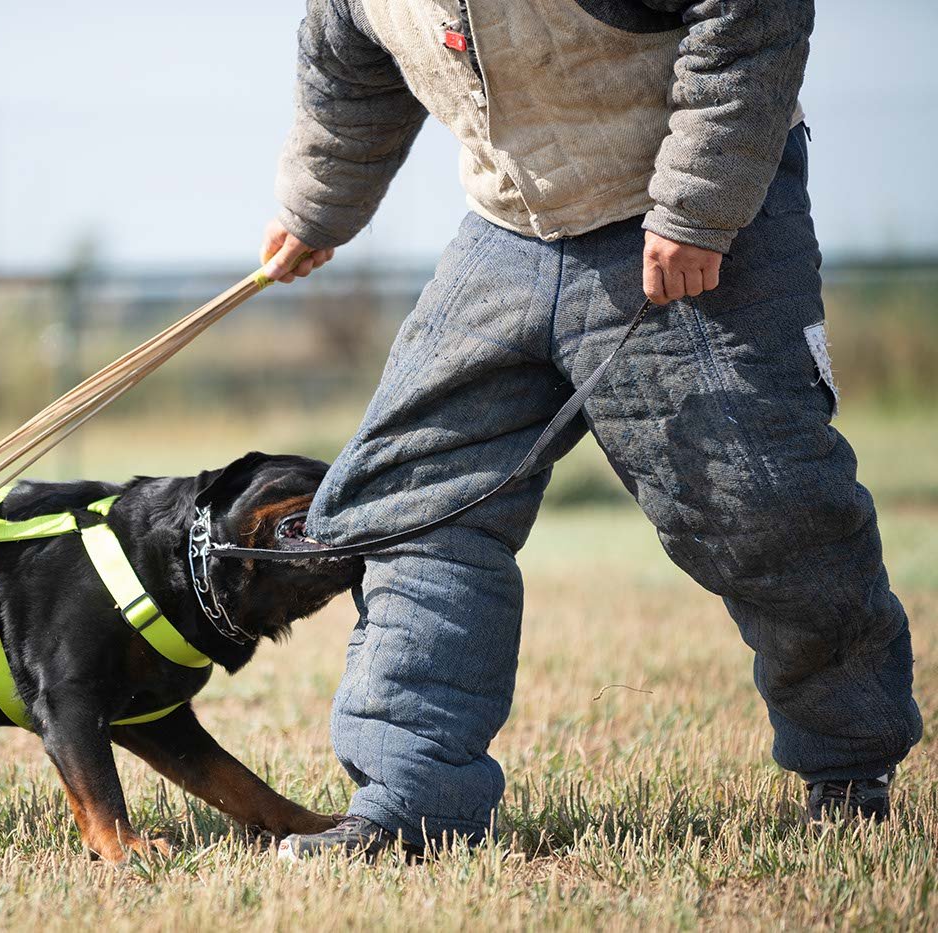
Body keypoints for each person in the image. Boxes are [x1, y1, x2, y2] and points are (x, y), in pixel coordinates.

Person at [259, 0, 922, 860]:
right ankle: (411, 804)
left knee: (766, 505)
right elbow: (348, 71)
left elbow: (750, 14)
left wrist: (697, 203)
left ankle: (849, 766)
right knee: (414, 502)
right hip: (508, 234)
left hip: (684, 216)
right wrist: (316, 208)